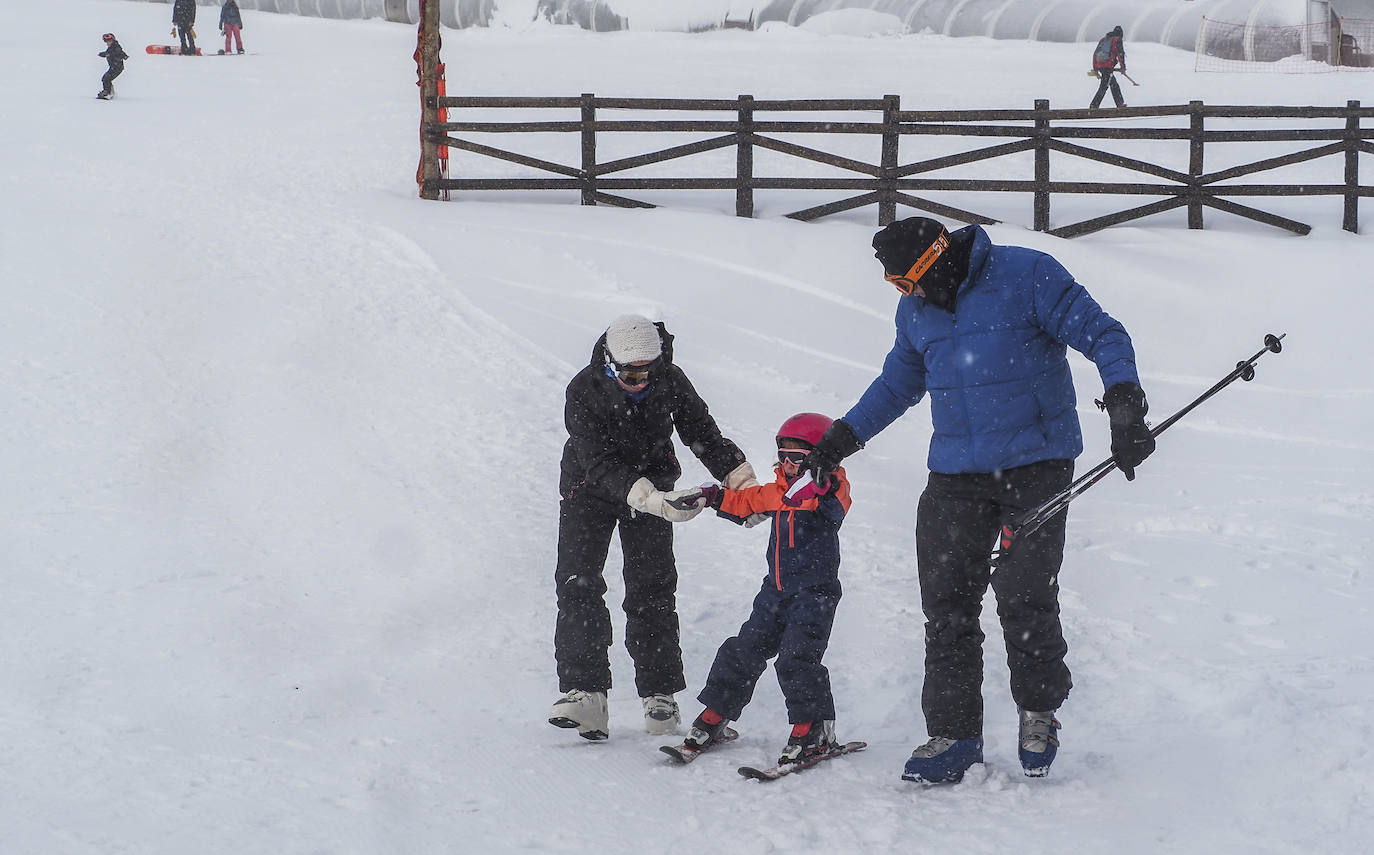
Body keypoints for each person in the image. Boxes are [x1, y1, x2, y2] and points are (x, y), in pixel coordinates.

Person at [802, 217, 1154, 783]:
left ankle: (1038, 711)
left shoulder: (1027, 275)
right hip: (955, 474)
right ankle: (954, 734)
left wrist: (1124, 402)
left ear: (935, 262)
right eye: (895, 288)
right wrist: (844, 436)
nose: (906, 295)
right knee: (946, 604)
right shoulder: (918, 311)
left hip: (1036, 462)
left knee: (1024, 593)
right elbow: (898, 383)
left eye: (906, 282)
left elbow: (1104, 334)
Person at [549, 314, 760, 741]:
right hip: (588, 490)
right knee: (579, 584)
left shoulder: (670, 380)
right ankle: (587, 694)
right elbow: (598, 462)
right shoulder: (583, 390)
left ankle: (660, 694)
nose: (641, 380)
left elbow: (703, 434)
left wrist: (744, 485)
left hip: (653, 489)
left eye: (648, 370)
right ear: (610, 363)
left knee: (652, 588)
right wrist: (652, 499)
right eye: (630, 372)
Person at [674, 413, 853, 766]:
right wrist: (710, 497)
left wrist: (824, 485)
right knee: (743, 649)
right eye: (782, 456)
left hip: (815, 594)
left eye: (798, 459)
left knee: (796, 658)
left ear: (819, 458)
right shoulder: (779, 492)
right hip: (775, 591)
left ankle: (813, 729)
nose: (787, 465)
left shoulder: (829, 490)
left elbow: (836, 510)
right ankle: (715, 716)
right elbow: (746, 503)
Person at [1090, 25, 1127, 109]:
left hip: (1101, 66)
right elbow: (1120, 54)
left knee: (1114, 85)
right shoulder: (1117, 39)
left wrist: (1095, 68)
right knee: (1104, 86)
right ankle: (1094, 105)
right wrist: (1123, 67)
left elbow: (1095, 54)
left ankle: (1119, 103)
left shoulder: (1103, 40)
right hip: (1107, 66)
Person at [97, 33, 127, 100]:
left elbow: (117, 53)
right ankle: (109, 92)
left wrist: (107, 54)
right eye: (106, 41)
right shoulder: (111, 47)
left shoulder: (116, 46)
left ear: (113, 40)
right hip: (114, 67)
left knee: (106, 78)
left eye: (110, 41)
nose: (108, 43)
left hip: (117, 67)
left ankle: (107, 93)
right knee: (106, 78)